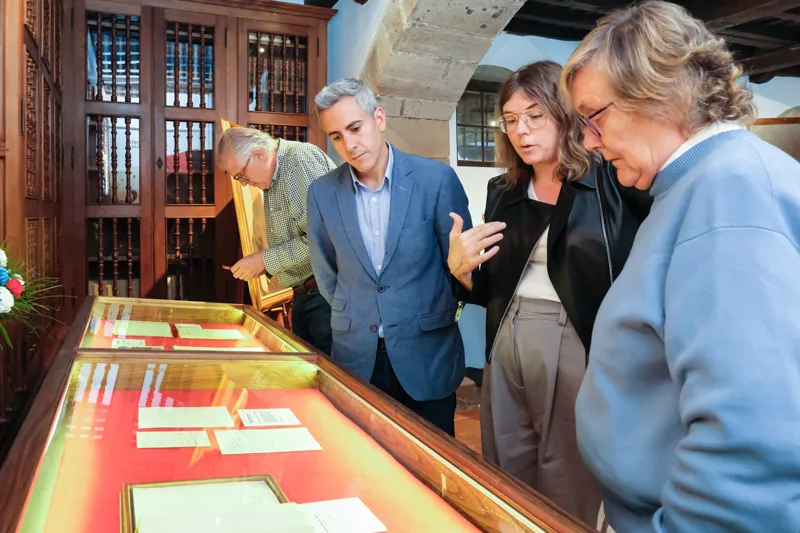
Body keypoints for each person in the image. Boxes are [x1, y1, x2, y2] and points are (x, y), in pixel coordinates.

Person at [560, 2, 800, 531]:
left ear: (660, 94)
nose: (587, 142)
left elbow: (751, 448)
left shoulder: (730, 194)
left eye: (593, 116)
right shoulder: (700, 183)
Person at [447, 61, 649, 526]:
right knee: (505, 461)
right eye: (512, 119)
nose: (522, 130)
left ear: (564, 113)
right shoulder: (504, 189)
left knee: (568, 473)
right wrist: (459, 270)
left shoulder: (611, 183)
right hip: (507, 336)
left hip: (578, 338)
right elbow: (490, 283)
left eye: (535, 115)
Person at [306, 78, 472, 436]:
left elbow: (460, 267)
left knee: (435, 470)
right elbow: (326, 272)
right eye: (336, 136)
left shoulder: (436, 180)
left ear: (378, 118)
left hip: (426, 352)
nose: (348, 144)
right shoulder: (321, 192)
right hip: (357, 355)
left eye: (355, 127)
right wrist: (356, 310)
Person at [217, 127, 336, 355]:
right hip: (306, 294)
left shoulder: (299, 163)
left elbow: (324, 239)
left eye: (242, 175)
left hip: (328, 296)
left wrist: (263, 261)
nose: (243, 183)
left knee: (336, 380)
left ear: (259, 154)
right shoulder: (274, 178)